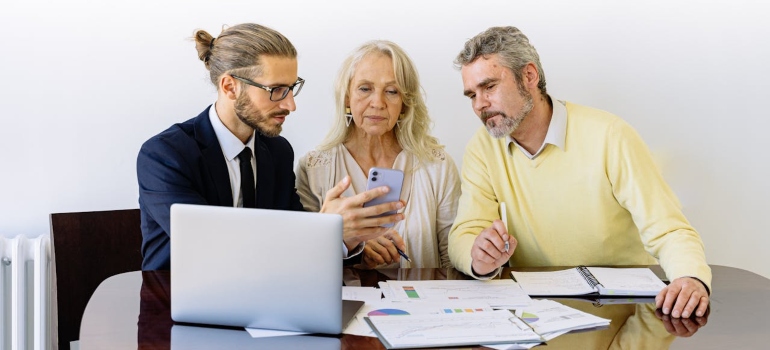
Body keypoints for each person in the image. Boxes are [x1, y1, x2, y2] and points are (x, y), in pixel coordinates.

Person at [447, 26, 711, 319]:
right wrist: (479, 256)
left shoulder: (610, 135)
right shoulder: (482, 148)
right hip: (535, 316)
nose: (480, 105)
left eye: (489, 87)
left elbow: (669, 228)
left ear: (529, 76)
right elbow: (464, 234)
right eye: (471, 94)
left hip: (622, 312)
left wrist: (690, 277)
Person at [137, 24, 403, 271]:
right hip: (175, 307)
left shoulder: (277, 152)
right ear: (230, 87)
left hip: (265, 304)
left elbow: (298, 252)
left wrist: (347, 237)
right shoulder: (165, 156)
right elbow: (213, 250)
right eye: (276, 90)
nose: (290, 105)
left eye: (291, 88)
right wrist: (324, 228)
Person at [296, 40, 461, 268]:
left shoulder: (437, 166)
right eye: (365, 89)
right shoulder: (314, 168)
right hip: (347, 302)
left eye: (392, 91)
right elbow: (304, 261)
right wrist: (349, 242)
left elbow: (452, 258)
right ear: (346, 97)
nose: (378, 102)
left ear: (404, 103)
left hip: (422, 300)